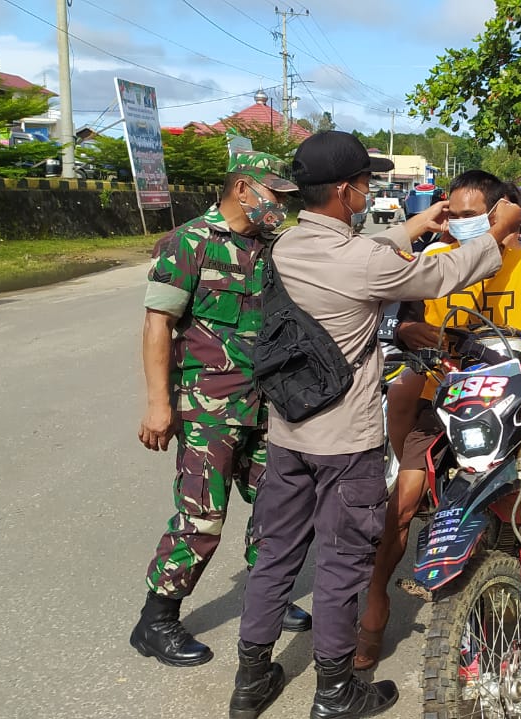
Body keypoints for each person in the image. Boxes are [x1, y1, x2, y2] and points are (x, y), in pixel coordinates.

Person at [229, 131, 519, 719]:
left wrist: (414, 227)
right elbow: (438, 278)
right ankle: (335, 692)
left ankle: (251, 679)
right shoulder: (364, 263)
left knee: (277, 554)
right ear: (344, 190)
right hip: (345, 443)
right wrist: (494, 230)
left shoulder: (286, 246)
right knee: (341, 562)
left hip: (290, 432)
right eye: (363, 182)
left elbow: (356, 255)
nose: (367, 190)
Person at [357, 170, 521, 671]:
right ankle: (373, 612)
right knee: (403, 503)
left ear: (500, 215)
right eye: (454, 216)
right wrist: (422, 338)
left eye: (469, 217)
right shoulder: (433, 262)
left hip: (515, 401)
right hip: (440, 398)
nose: (457, 226)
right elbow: (406, 323)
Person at [130, 151, 312, 669]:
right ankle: (156, 619)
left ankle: (267, 599)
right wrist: (158, 404)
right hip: (208, 407)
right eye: (274, 195)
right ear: (243, 190)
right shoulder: (188, 243)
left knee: (278, 509)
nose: (280, 206)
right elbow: (156, 326)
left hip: (266, 404)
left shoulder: (272, 247)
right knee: (202, 517)